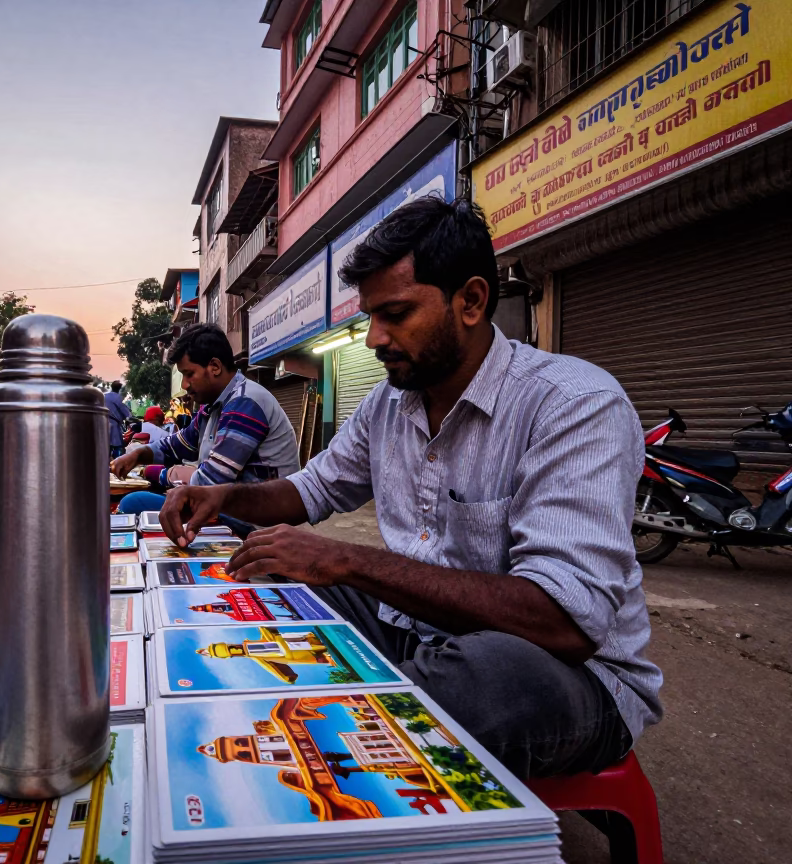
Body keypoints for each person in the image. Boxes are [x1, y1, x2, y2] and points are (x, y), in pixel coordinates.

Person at [157, 197, 662, 779]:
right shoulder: (388, 404)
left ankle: (334, 752)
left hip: (567, 676)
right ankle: (349, 724)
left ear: (470, 301)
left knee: (487, 679)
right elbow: (308, 491)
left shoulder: (573, 404)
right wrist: (224, 499)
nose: (374, 338)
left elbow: (564, 624)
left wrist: (346, 559)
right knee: (267, 570)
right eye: (371, 316)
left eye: (395, 314)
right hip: (415, 633)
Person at [110, 323, 301, 528]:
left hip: (254, 523)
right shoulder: (212, 408)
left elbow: (210, 482)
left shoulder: (245, 403)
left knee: (134, 502)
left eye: (189, 374)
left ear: (215, 367)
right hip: (229, 512)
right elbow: (177, 445)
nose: (184, 384)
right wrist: (138, 455)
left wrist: (159, 474)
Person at [105, 380, 131, 459]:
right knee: (118, 445)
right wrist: (129, 416)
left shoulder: (104, 396)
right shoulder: (118, 398)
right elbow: (126, 412)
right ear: (120, 389)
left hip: (103, 424)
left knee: (106, 446)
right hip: (114, 425)